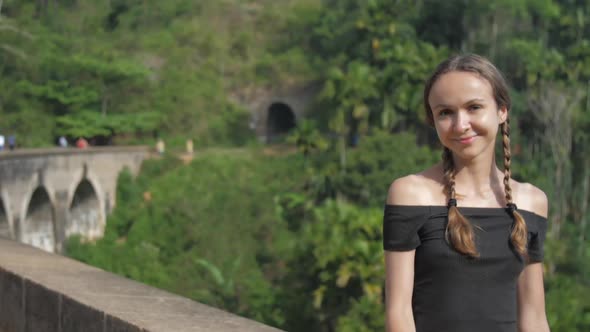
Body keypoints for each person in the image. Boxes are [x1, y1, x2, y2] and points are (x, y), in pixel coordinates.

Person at [383, 54, 550, 332]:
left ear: (502, 111)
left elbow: (533, 318)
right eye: (445, 113)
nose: (461, 125)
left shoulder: (532, 202)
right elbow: (398, 313)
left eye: (474, 107)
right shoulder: (410, 194)